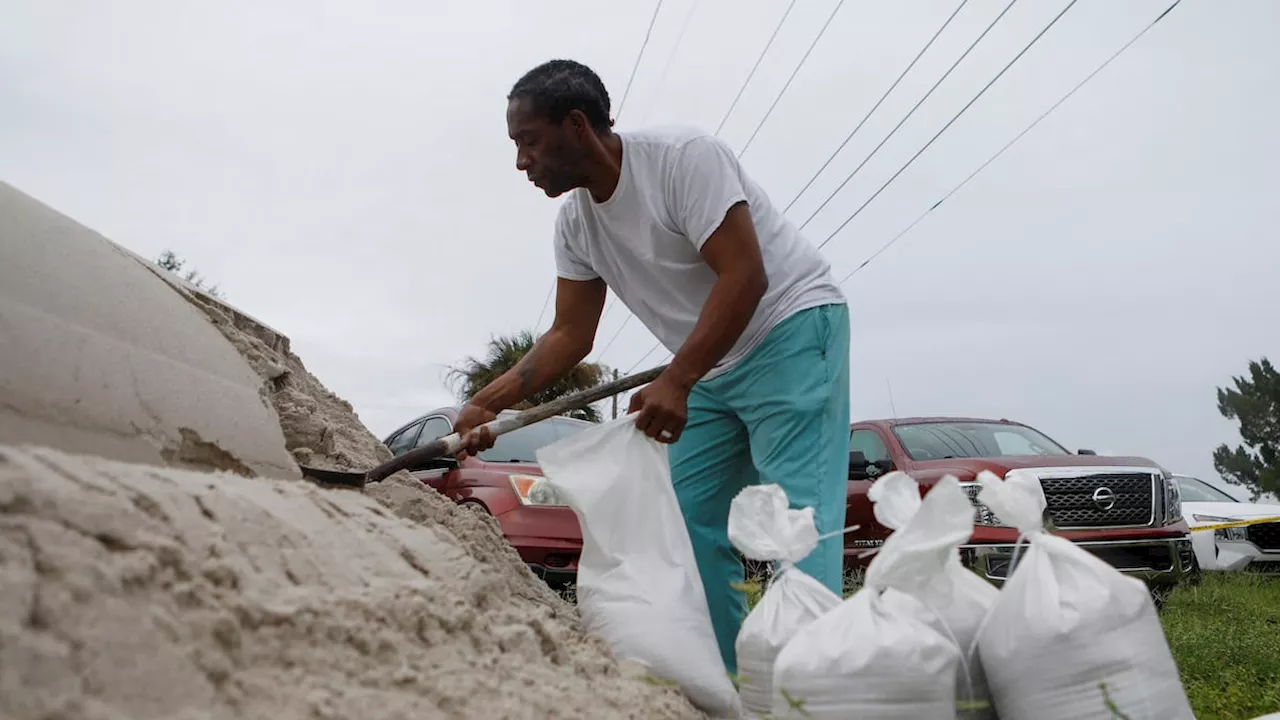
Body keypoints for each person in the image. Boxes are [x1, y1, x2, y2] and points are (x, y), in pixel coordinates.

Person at [454, 58, 850, 674]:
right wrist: (491, 401)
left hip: (788, 331)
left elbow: (745, 273)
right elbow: (570, 332)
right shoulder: (575, 224)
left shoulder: (682, 158)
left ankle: (824, 690)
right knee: (686, 527)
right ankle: (730, 688)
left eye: (528, 141)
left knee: (801, 518)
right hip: (710, 364)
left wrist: (678, 378)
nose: (520, 162)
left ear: (576, 125)